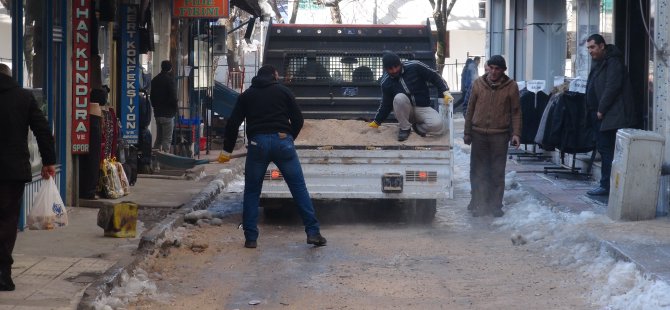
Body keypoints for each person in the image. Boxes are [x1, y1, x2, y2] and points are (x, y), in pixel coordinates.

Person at [219, 65, 326, 249]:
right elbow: (298, 119)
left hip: (257, 144)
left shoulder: (247, 95)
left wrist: (226, 150)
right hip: (283, 142)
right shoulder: (283, 92)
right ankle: (313, 232)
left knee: (252, 191)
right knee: (299, 188)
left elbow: (233, 123)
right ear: (274, 75)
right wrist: (289, 137)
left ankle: (251, 238)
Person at [0, 63, 56, 291]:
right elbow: (42, 130)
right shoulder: (23, 98)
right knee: (7, 220)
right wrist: (49, 162)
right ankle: (3, 274)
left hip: (12, 170)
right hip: (12, 172)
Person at [463, 55, 521, 217]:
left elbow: (516, 112)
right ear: (487, 68)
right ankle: (478, 202)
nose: (494, 72)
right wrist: (467, 132)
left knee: (497, 171)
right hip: (478, 133)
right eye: (491, 68)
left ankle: (495, 205)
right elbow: (470, 109)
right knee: (478, 170)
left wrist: (516, 133)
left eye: (498, 69)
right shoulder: (478, 84)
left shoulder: (511, 87)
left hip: (500, 135)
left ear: (503, 71)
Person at [584, 34, 637, 196]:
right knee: (604, 149)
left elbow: (612, 87)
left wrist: (601, 109)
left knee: (608, 151)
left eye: (592, 47)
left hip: (611, 115)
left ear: (602, 46)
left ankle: (607, 185)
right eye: (588, 48)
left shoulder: (613, 62)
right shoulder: (599, 62)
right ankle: (608, 185)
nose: (590, 51)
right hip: (600, 114)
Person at [369, 52, 452, 141]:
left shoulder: (415, 66)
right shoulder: (386, 82)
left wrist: (445, 91)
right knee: (399, 98)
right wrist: (377, 121)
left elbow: (434, 77)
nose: (394, 70)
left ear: (400, 63)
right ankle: (405, 128)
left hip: (422, 108)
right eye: (390, 69)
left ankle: (416, 128)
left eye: (396, 66)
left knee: (437, 124)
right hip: (405, 111)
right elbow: (386, 104)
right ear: (386, 69)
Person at [150, 60, 178, 152]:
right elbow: (173, 97)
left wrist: (155, 108)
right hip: (168, 114)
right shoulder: (170, 80)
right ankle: (165, 161)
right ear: (170, 69)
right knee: (167, 139)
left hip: (158, 113)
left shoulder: (154, 80)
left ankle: (155, 161)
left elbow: (152, 97)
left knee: (159, 139)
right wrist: (175, 108)